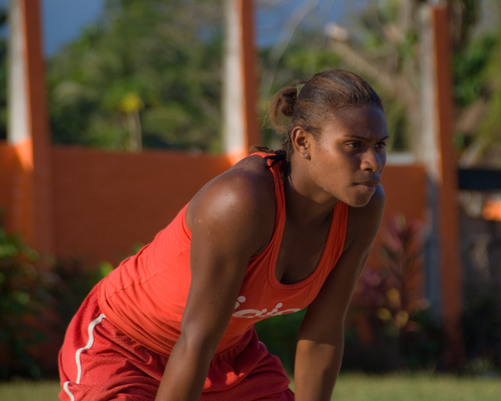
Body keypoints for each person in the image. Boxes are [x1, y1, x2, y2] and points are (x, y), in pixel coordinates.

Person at [58, 69, 388, 401]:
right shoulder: (240, 202)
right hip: (123, 346)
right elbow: (196, 339)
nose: (373, 162)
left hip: (228, 360)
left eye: (380, 146)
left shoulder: (363, 208)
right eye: (354, 145)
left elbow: (323, 332)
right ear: (303, 141)